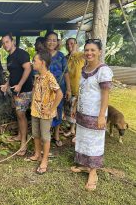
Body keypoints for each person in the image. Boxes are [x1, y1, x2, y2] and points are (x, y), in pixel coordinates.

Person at [71, 39, 113, 191]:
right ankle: (86, 166)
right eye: (87, 50)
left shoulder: (104, 70)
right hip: (83, 112)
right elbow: (81, 90)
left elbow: (105, 95)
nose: (89, 53)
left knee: (95, 142)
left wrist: (102, 115)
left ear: (99, 52)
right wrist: (75, 105)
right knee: (83, 139)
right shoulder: (84, 68)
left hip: (96, 114)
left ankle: (93, 173)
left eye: (93, 50)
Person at [29, 50, 63, 174]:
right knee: (36, 134)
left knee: (45, 136)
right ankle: (37, 154)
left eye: (34, 61)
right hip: (35, 111)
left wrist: (51, 109)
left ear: (42, 63)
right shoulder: (37, 77)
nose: (32, 63)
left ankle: (45, 160)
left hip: (45, 113)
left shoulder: (50, 77)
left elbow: (59, 93)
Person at [0, 33, 33, 156]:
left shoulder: (21, 54)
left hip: (24, 90)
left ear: (12, 41)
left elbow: (28, 68)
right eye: (3, 43)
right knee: (18, 114)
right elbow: (13, 74)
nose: (5, 45)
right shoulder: (9, 57)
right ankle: (20, 136)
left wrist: (19, 85)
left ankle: (23, 142)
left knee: (21, 114)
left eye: (7, 42)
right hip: (15, 90)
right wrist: (7, 84)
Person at [44, 31, 71, 147]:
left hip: (60, 89)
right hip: (46, 90)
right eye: (49, 40)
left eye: (54, 40)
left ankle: (56, 135)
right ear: (46, 42)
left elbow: (66, 73)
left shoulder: (61, 56)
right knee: (46, 110)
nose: (52, 42)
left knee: (58, 110)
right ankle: (46, 134)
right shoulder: (41, 55)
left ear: (57, 42)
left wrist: (69, 89)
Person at [64, 38, 85, 138]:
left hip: (80, 88)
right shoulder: (65, 58)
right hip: (68, 88)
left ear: (77, 44)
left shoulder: (82, 56)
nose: (69, 46)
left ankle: (78, 132)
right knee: (71, 110)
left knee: (79, 110)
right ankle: (72, 129)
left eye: (72, 43)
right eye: (67, 44)